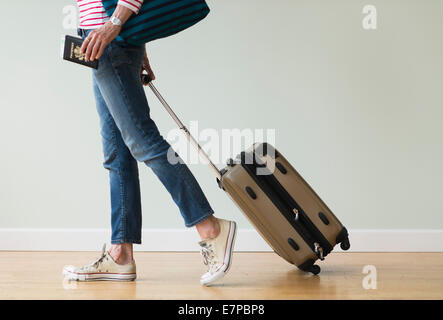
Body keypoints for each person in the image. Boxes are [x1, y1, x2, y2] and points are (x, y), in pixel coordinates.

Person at [62, 0, 237, 286]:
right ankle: (121, 254)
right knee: (117, 154)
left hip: (110, 38)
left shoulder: (112, 29)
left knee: (144, 142)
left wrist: (114, 25)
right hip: (102, 41)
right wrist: (134, 42)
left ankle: (210, 228)